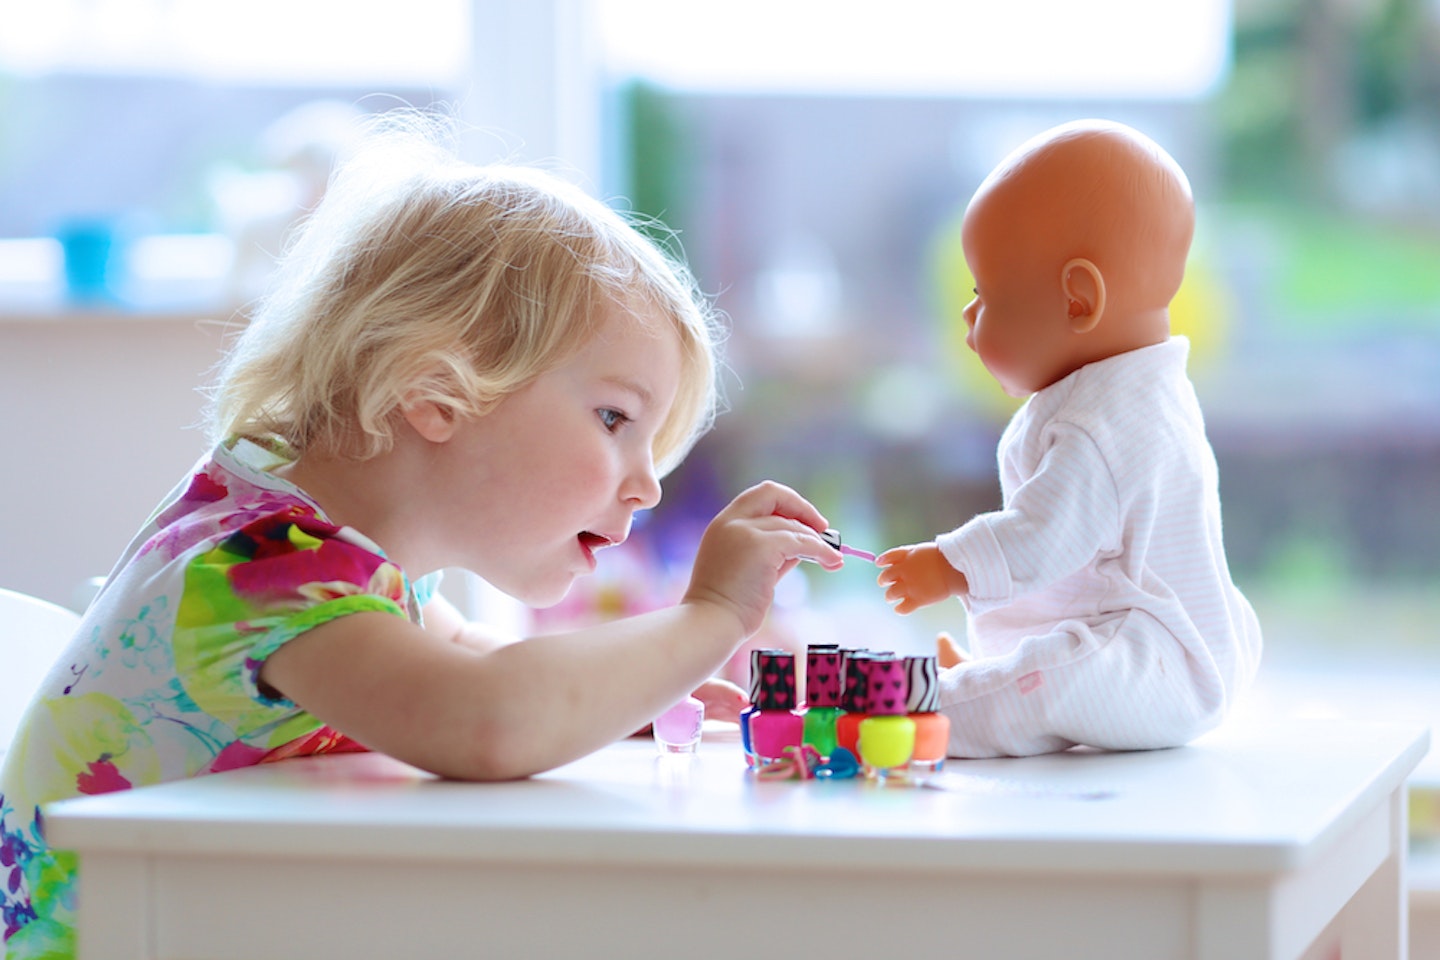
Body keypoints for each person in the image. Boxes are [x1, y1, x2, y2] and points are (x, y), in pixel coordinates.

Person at [0, 112, 844, 958]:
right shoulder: (258, 570)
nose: (649, 484)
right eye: (614, 418)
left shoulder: (323, 546)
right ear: (437, 389)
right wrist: (712, 615)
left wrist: (615, 702)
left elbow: (472, 661)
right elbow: (487, 720)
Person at [876, 119, 1262, 758]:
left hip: (1157, 659)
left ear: (1078, 299)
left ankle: (948, 709)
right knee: (1057, 658)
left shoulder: (1101, 423)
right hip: (1171, 636)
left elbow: (1044, 535)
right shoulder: (1135, 388)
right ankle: (987, 677)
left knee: (1048, 685)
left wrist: (949, 564)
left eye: (986, 294)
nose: (968, 316)